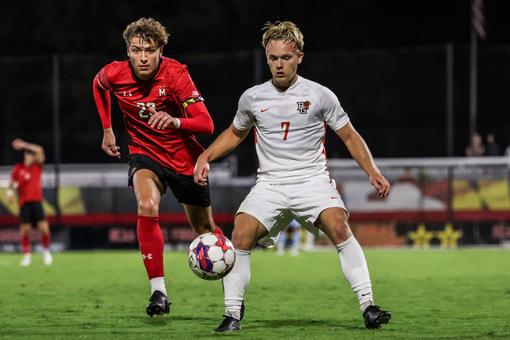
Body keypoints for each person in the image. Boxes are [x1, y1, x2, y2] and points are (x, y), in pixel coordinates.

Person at [194, 21, 391, 332]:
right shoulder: (253, 98)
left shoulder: (319, 95)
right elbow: (235, 133)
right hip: (270, 184)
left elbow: (350, 136)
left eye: (285, 57)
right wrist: (206, 156)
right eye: (273, 58)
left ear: (299, 56)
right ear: (266, 58)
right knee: (241, 234)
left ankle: (368, 306)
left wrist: (372, 171)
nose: (279, 64)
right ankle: (232, 314)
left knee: (339, 227)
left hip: (311, 180)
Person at [92, 17, 223, 317]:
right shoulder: (115, 73)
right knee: (147, 204)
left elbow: (206, 123)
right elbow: (98, 85)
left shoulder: (176, 74)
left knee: (205, 232)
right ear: (127, 50)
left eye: (149, 50)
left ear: (161, 50)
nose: (142, 57)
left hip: (184, 160)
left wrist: (176, 121)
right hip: (144, 154)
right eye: (136, 50)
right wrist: (107, 128)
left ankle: (233, 296)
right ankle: (158, 292)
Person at [6, 139, 52, 266]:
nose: (33, 156)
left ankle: (46, 251)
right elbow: (11, 184)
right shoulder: (18, 168)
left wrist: (23, 144)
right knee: (25, 229)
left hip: (36, 201)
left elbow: (40, 150)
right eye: (30, 154)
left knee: (44, 228)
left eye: (33, 155)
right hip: (24, 203)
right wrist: (9, 192)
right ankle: (27, 255)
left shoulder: (37, 166)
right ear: (26, 156)